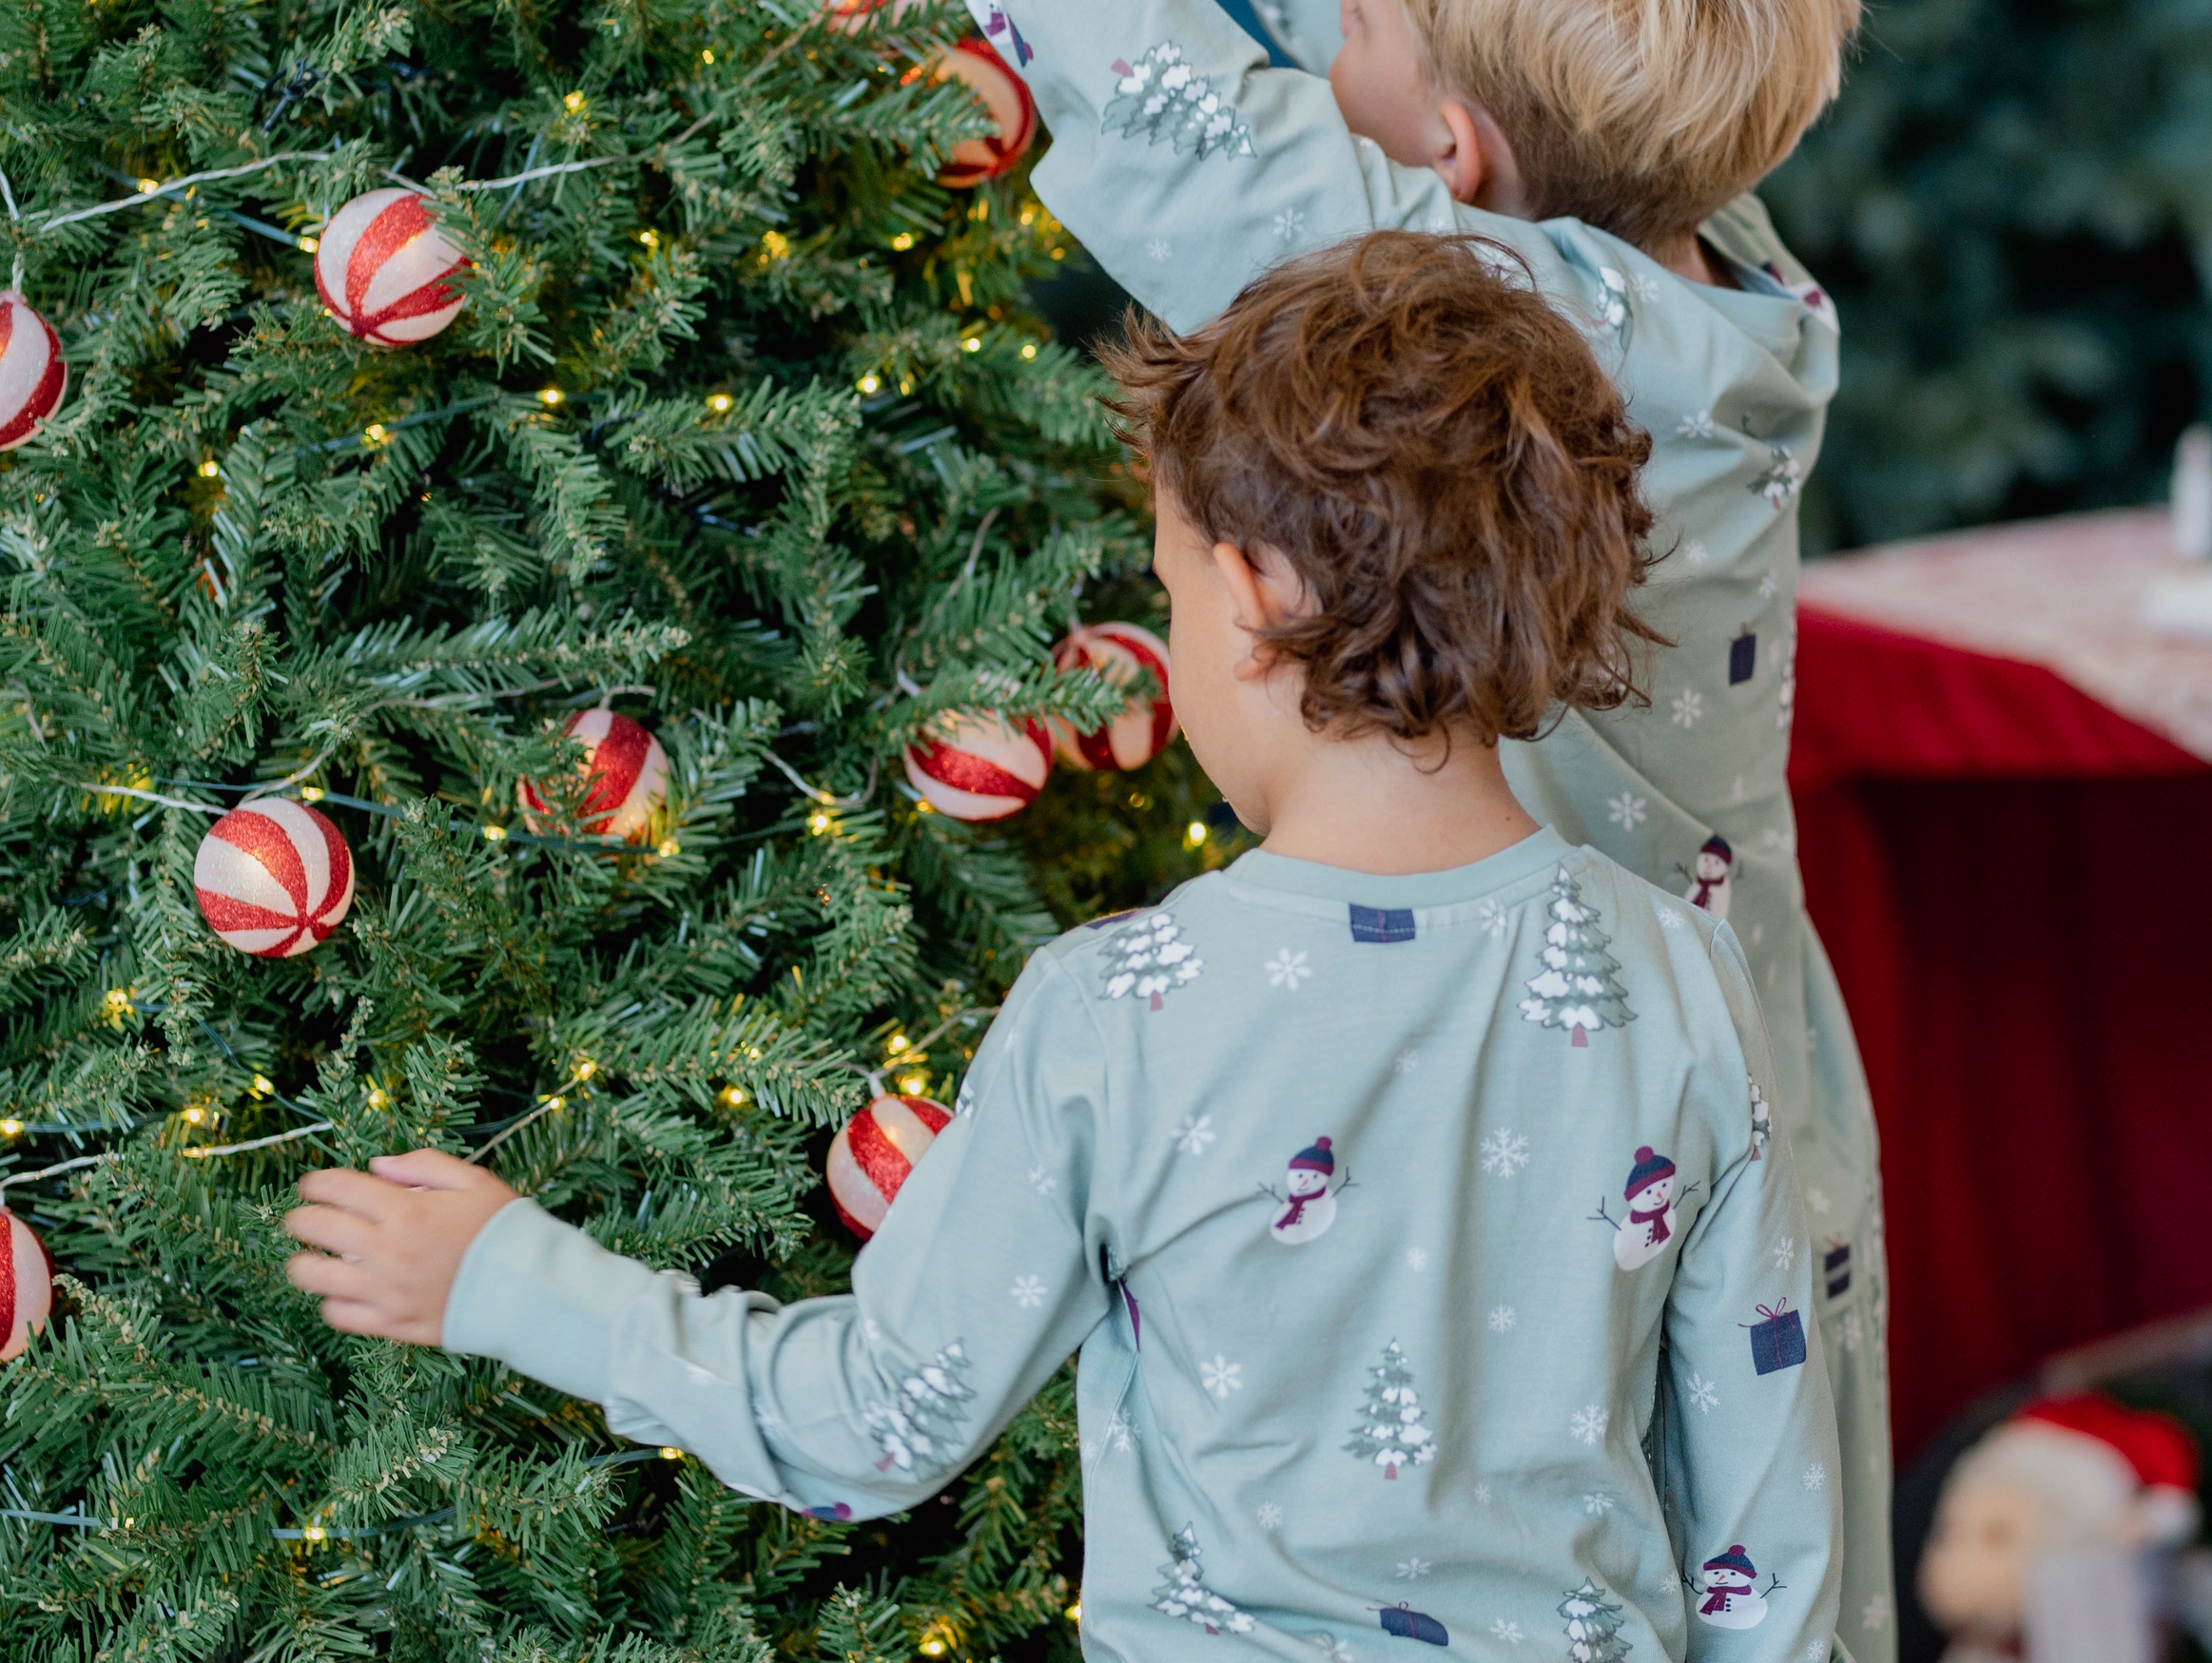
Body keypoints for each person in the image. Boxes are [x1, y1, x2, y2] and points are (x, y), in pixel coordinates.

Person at [630, 0, 1893, 1647]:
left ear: (1457, 153)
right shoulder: (1698, 264)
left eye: (1363, 20)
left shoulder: (1490, 321)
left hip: (1524, 1080)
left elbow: (1146, 75)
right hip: (1728, 1082)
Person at [283, 234, 1844, 1663]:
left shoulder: (1124, 1014)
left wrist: (509, 1279)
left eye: (1164, 588)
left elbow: (877, 1424)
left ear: (1245, 600)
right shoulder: (1679, 981)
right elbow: (1762, 1557)